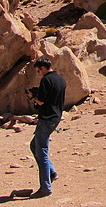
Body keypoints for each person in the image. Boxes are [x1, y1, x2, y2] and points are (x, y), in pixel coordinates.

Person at [26, 56, 66, 198]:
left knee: (41, 151)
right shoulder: (60, 79)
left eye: (38, 71)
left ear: (42, 68)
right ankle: (51, 172)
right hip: (55, 117)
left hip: (46, 118)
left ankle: (45, 187)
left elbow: (41, 101)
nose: (38, 73)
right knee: (34, 146)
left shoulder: (46, 80)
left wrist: (32, 96)